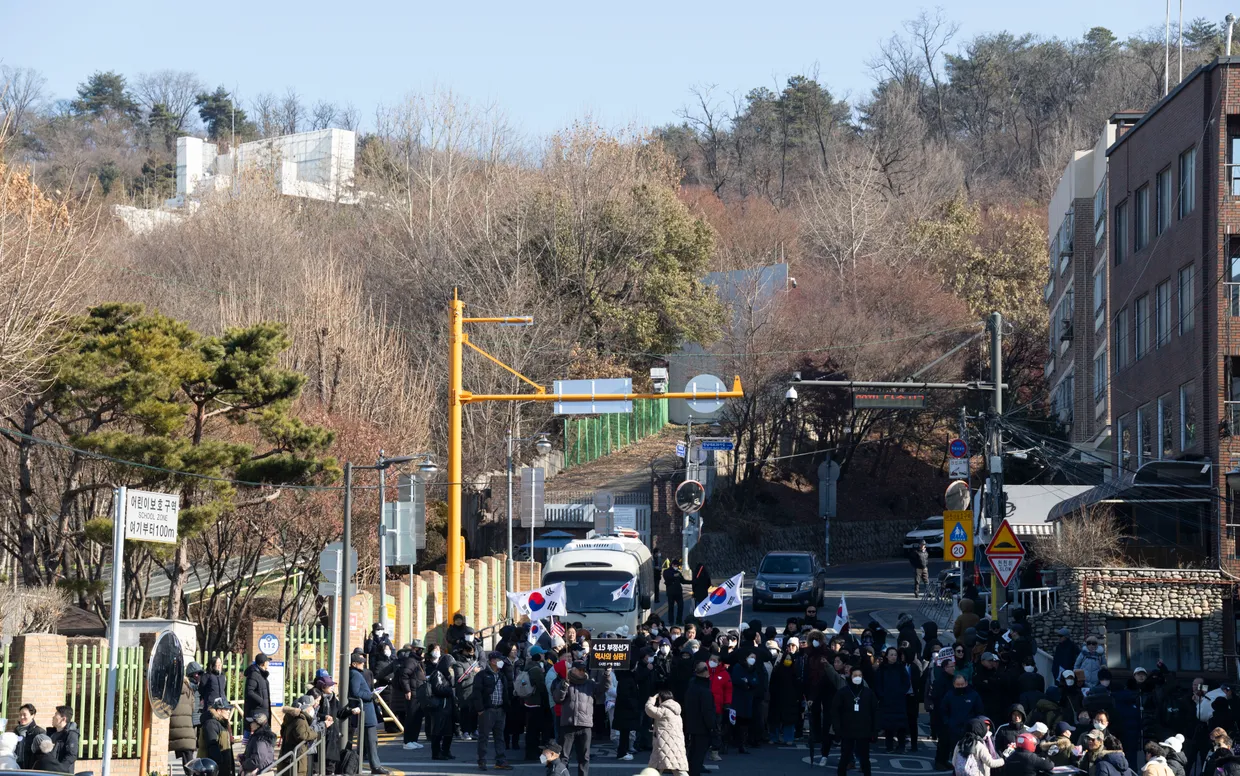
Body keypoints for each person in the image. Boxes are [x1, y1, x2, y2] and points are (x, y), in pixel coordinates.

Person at [833, 666, 880, 776]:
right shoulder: (843, 692)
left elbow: (875, 711)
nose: (857, 678)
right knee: (845, 756)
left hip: (864, 730)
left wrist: (875, 729)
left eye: (860, 676)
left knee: (864, 757)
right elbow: (835, 711)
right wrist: (837, 728)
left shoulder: (868, 693)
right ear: (850, 676)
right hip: (847, 729)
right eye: (855, 675)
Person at [349, 650, 390, 774]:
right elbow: (356, 692)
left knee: (371, 740)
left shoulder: (355, 673)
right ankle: (375, 766)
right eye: (360, 662)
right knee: (372, 740)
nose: (363, 664)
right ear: (354, 664)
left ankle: (375, 765)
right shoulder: (355, 674)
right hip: (366, 711)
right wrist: (370, 696)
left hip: (366, 711)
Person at [476, 650, 514, 771]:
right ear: (492, 661)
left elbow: (507, 688)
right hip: (487, 710)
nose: (501, 662)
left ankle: (501, 761)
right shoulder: (482, 675)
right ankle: (482, 760)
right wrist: (480, 709)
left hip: (500, 709)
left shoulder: (502, 675)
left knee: (500, 737)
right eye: (498, 660)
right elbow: (476, 693)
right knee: (484, 736)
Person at [940, 674, 986, 770]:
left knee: (969, 753)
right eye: (958, 685)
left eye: (962, 684)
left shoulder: (974, 695)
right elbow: (943, 710)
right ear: (954, 684)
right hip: (953, 728)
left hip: (969, 730)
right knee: (955, 752)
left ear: (966, 683)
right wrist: (947, 722)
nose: (960, 686)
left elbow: (979, 711)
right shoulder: (949, 695)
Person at [729, 648, 767, 755]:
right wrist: (746, 682)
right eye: (751, 657)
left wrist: (747, 681)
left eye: (754, 658)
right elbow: (736, 679)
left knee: (745, 722)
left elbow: (755, 681)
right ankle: (732, 742)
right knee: (735, 721)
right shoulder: (738, 667)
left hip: (748, 698)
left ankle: (743, 744)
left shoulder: (754, 669)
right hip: (738, 698)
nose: (752, 659)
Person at [682, 662, 717, 776]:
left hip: (692, 724)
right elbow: (707, 711)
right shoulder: (705, 690)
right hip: (702, 727)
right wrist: (712, 727)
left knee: (693, 752)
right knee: (698, 754)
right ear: (706, 673)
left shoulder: (691, 687)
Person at [645, 690, 689, 775]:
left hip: (664, 744)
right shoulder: (676, 711)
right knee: (677, 768)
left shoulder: (664, 711)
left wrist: (652, 698)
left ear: (661, 699)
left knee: (656, 768)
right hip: (676, 744)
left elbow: (648, 708)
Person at [280, 696, 324, 776]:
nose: (313, 709)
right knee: (299, 772)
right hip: (298, 755)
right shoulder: (301, 720)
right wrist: (315, 734)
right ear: (306, 708)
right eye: (311, 706)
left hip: (289, 754)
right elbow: (303, 735)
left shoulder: (292, 717)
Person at [395, 641, 427, 750]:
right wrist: (407, 690)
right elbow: (404, 676)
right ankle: (407, 741)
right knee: (411, 717)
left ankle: (414, 740)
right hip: (413, 693)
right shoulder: (411, 661)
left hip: (419, 692)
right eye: (419, 649)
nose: (421, 651)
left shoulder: (417, 661)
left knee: (417, 718)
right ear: (414, 649)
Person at [171, 663, 204, 766]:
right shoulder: (188, 687)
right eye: (197, 674)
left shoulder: (199, 686)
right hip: (189, 720)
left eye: (200, 673)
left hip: (197, 718)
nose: (199, 676)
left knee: (193, 746)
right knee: (188, 747)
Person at [427, 653, 458, 761]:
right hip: (439, 706)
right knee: (438, 731)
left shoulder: (447, 675)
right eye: (450, 666)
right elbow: (437, 688)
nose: (451, 669)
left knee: (449, 731)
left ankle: (446, 751)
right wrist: (450, 690)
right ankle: (436, 753)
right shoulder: (437, 673)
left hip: (448, 706)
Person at [313, 671, 343, 775]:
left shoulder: (333, 698)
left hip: (332, 732)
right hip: (321, 732)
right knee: (317, 761)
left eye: (333, 685)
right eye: (330, 685)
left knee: (331, 761)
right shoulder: (316, 697)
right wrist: (324, 717)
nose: (332, 687)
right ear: (323, 686)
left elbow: (339, 712)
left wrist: (350, 711)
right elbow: (313, 715)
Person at [199, 697, 237, 776]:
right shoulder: (211, 724)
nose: (229, 711)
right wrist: (220, 767)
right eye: (226, 709)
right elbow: (212, 747)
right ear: (219, 711)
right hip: (214, 769)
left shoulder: (223, 724)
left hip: (224, 768)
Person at [46, 706, 78, 774]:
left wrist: (60, 769)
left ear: (63, 719)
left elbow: (71, 755)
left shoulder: (71, 734)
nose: (53, 717)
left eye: (56, 715)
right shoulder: (51, 734)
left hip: (62, 773)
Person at [243, 653, 273, 727]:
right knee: (252, 735)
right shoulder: (254, 675)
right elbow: (249, 692)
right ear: (263, 663)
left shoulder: (261, 675)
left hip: (262, 712)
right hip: (256, 712)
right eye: (267, 661)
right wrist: (261, 701)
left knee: (262, 735)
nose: (268, 663)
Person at [13, 703, 43, 770]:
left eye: (24, 715)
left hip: (31, 770)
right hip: (15, 767)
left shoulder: (39, 732)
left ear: (32, 715)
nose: (22, 717)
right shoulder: (16, 731)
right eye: (20, 715)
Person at [664, 559, 688, 626]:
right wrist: (674, 575)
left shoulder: (678, 573)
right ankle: (671, 621)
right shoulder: (667, 571)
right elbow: (667, 577)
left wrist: (692, 581)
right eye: (676, 565)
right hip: (671, 593)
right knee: (671, 607)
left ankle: (679, 621)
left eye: (677, 566)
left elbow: (683, 581)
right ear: (672, 565)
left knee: (681, 607)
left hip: (678, 593)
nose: (676, 567)